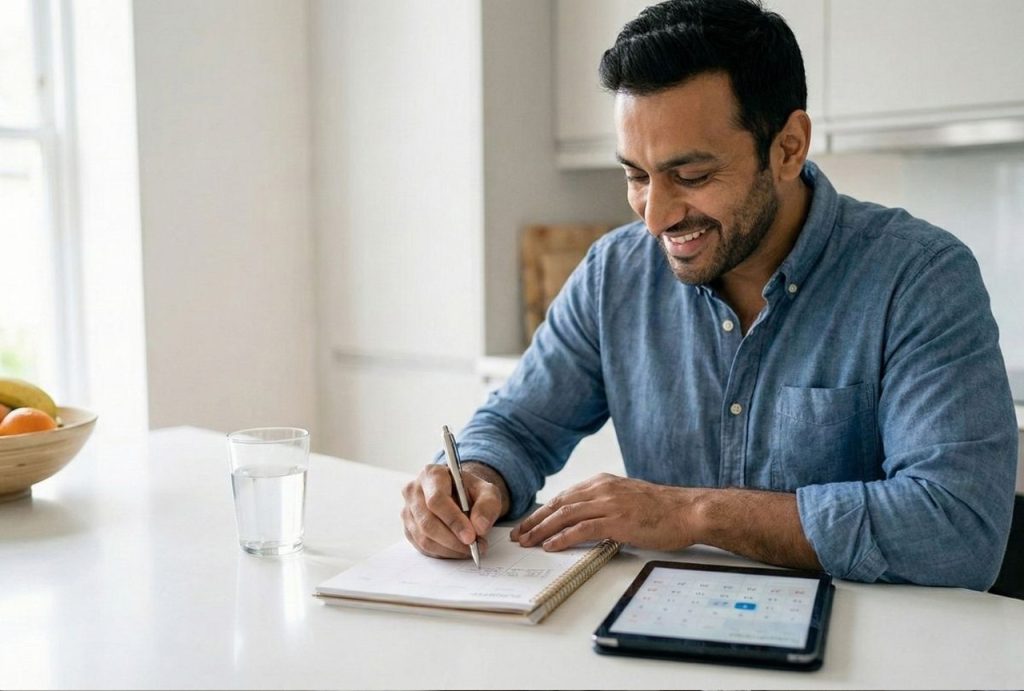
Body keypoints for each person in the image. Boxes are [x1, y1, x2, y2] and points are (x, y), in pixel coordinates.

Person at [401, 0, 1018, 589]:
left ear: (789, 147)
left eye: (691, 176)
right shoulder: (614, 273)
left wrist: (695, 513)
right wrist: (473, 479)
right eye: (637, 176)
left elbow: (959, 527)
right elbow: (518, 424)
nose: (655, 216)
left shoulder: (920, 277)